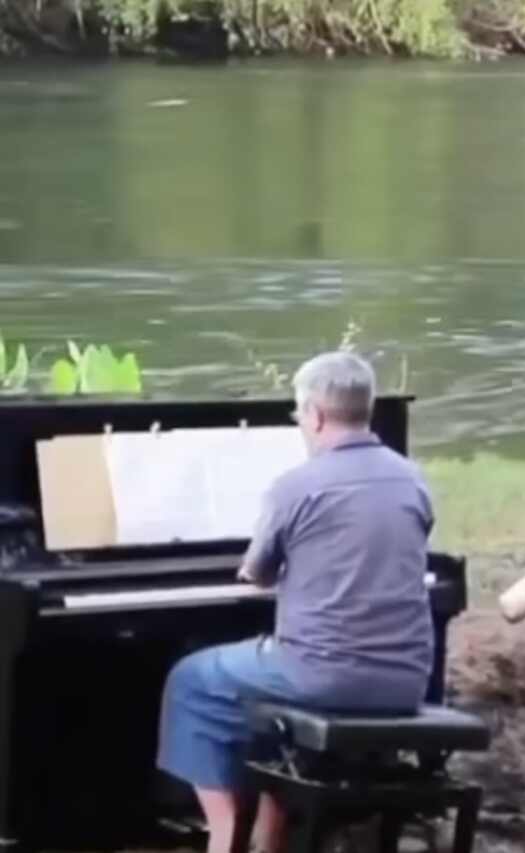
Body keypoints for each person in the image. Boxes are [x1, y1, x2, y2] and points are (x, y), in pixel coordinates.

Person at [155, 350, 436, 853]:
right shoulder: (411, 478)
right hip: (406, 679)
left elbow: (256, 574)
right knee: (262, 692)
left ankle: (224, 835)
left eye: (300, 414)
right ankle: (271, 834)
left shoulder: (296, 485)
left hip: (323, 676)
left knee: (193, 679)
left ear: (316, 414)